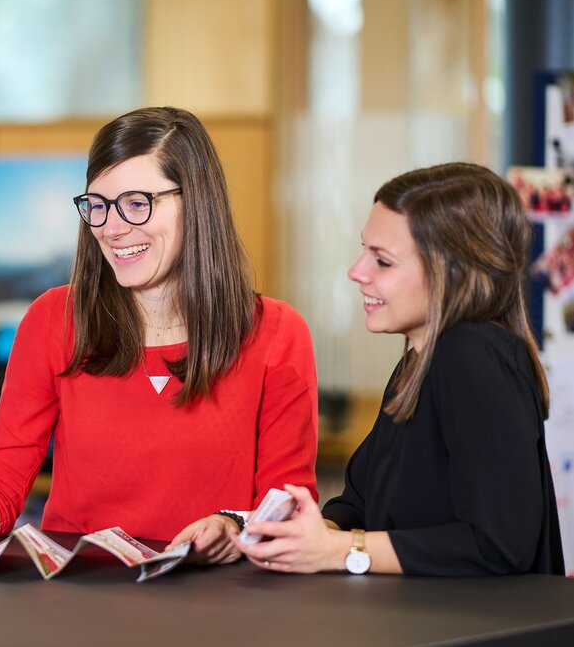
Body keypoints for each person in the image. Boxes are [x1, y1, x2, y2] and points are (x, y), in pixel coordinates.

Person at [0, 106, 318, 565]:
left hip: (221, 599)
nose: (112, 228)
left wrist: (233, 524)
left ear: (197, 202)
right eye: (98, 206)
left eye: (138, 203)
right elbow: (2, 477)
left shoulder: (277, 333)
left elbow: (288, 505)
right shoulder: (53, 320)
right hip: (82, 597)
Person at [236, 162, 564, 581]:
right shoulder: (418, 360)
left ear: (453, 273)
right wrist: (306, 534)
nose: (357, 272)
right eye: (364, 251)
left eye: (383, 261)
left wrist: (340, 549)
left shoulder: (474, 357)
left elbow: (499, 544)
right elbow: (359, 502)